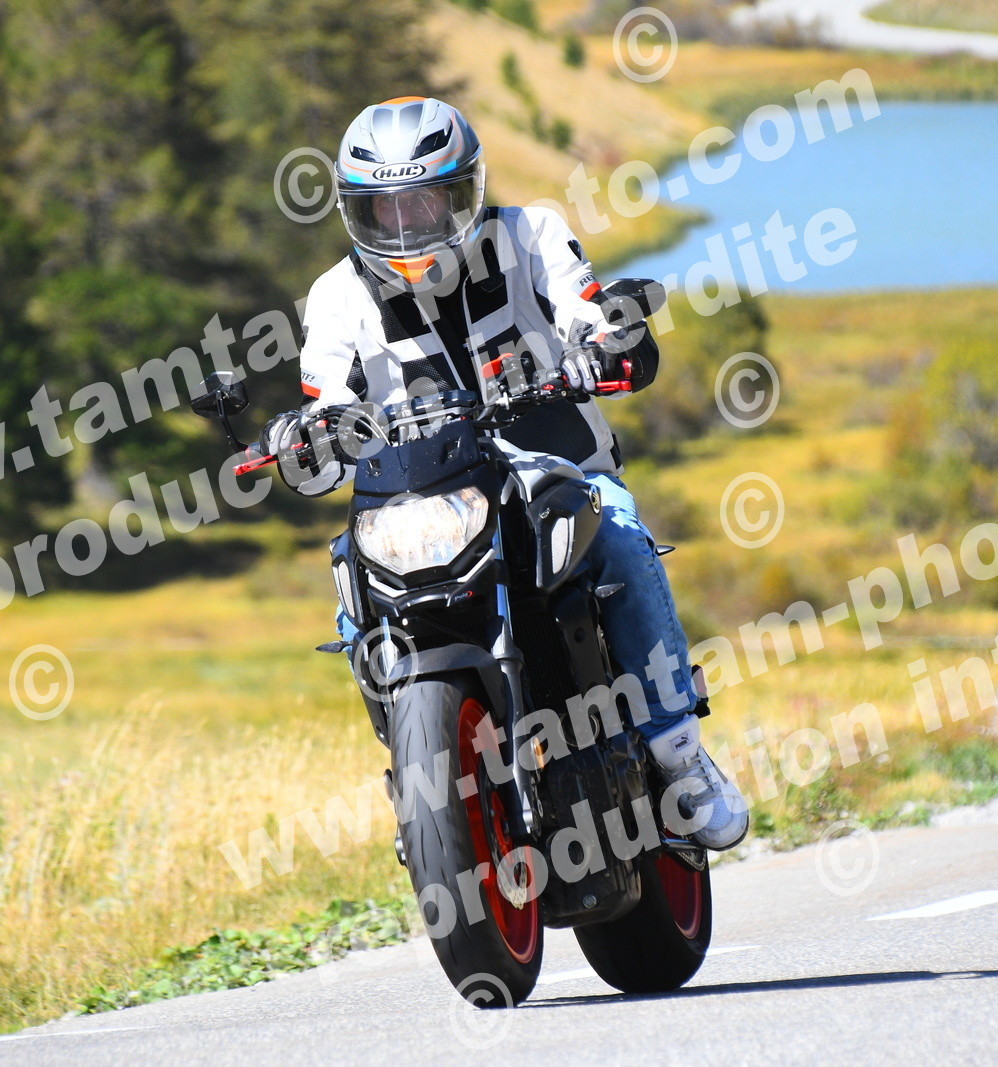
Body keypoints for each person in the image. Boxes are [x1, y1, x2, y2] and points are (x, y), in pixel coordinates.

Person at [262, 96, 747, 850]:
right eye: (385, 209)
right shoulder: (336, 295)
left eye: (424, 202)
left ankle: (680, 754)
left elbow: (588, 312)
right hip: (424, 496)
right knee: (352, 601)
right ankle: (421, 781)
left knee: (621, 540)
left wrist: (604, 343)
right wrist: (308, 433)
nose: (407, 227)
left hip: (556, 465)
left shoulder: (532, 235)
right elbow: (326, 401)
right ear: (356, 212)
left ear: (465, 190)